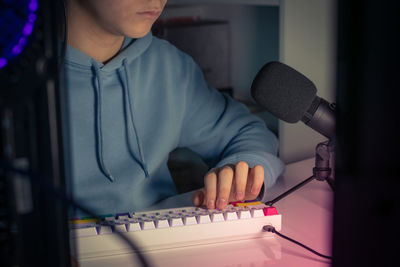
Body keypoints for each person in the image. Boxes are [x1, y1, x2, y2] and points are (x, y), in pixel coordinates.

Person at [63, 0, 284, 216]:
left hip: (162, 242)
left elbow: (247, 132)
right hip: (56, 248)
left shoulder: (168, 66)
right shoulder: (30, 76)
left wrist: (239, 172)